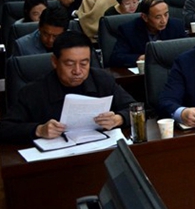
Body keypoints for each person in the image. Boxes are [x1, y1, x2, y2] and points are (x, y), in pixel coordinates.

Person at [0, 31, 136, 145]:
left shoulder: (102, 80)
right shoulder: (33, 92)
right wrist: (39, 130)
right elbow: (5, 128)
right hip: (53, 159)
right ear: (54, 62)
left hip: (97, 151)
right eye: (70, 64)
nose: (77, 71)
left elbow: (135, 108)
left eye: (84, 63)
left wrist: (119, 118)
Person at [109, 0, 186, 68]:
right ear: (145, 17)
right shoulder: (128, 30)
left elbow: (187, 51)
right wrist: (142, 58)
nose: (164, 21)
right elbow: (116, 58)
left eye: (166, 15)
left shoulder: (176, 26)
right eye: (158, 17)